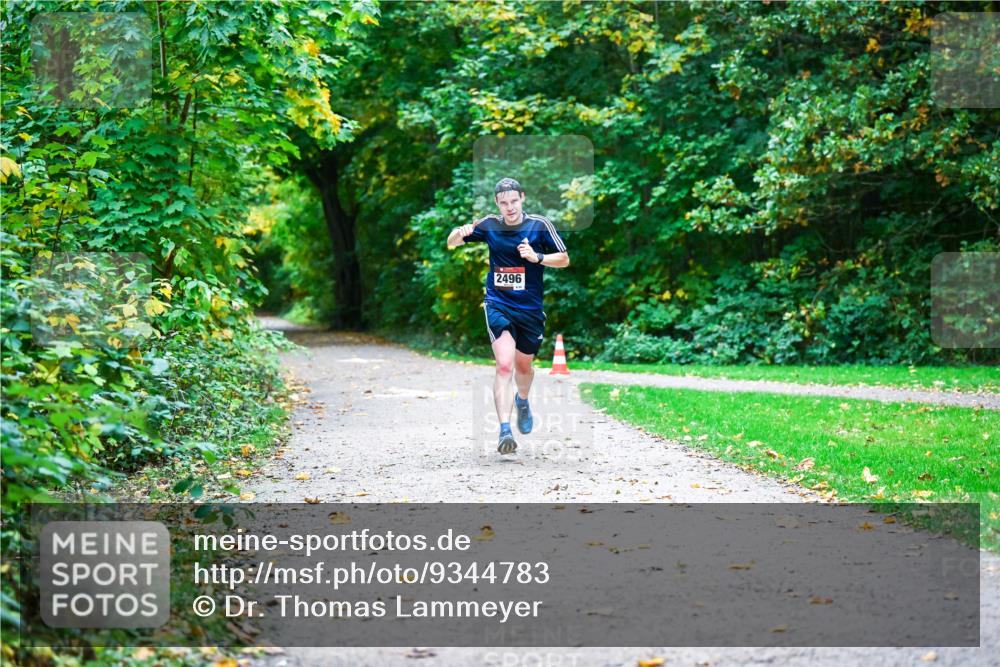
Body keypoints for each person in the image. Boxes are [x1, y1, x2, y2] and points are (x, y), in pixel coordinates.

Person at [446, 178, 570, 455]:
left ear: (522, 198)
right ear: (497, 204)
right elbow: (451, 242)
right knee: (504, 365)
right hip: (498, 303)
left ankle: (522, 401)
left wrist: (537, 257)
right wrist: (460, 231)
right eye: (504, 203)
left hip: (529, 310)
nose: (509, 207)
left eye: (514, 201)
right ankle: (504, 431)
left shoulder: (539, 225)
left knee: (523, 368)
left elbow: (564, 258)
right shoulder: (490, 224)